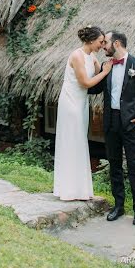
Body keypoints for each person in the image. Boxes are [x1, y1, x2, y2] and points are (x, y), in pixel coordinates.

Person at [88, 31, 135, 226]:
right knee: (114, 164)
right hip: (111, 122)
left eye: (106, 43)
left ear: (116, 44)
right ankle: (118, 206)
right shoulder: (105, 66)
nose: (103, 46)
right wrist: (88, 67)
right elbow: (93, 89)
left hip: (132, 123)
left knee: (134, 166)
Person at [53, 25, 111, 201]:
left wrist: (107, 67)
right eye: (101, 42)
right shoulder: (77, 55)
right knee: (72, 140)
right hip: (71, 103)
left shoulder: (91, 56)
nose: (102, 45)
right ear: (92, 40)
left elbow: (98, 71)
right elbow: (86, 82)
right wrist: (106, 71)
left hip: (82, 102)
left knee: (79, 141)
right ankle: (68, 189)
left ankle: (80, 189)